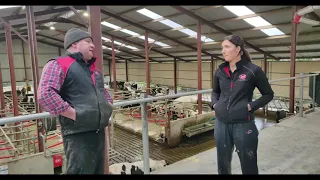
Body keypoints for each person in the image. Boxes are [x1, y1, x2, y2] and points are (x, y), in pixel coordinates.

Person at [37, 28, 113, 174]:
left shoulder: (93, 70)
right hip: (77, 134)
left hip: (99, 132)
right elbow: (45, 94)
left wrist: (107, 107)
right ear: (74, 44)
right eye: (88, 41)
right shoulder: (59, 64)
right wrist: (74, 114)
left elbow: (104, 93)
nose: (93, 46)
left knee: (98, 171)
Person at [211, 35, 274, 174]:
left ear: (238, 49)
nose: (223, 51)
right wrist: (215, 105)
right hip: (221, 124)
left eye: (227, 47)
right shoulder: (220, 71)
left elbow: (268, 94)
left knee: (248, 162)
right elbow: (215, 92)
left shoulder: (253, 70)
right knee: (222, 162)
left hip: (243, 124)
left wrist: (250, 106)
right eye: (222, 47)